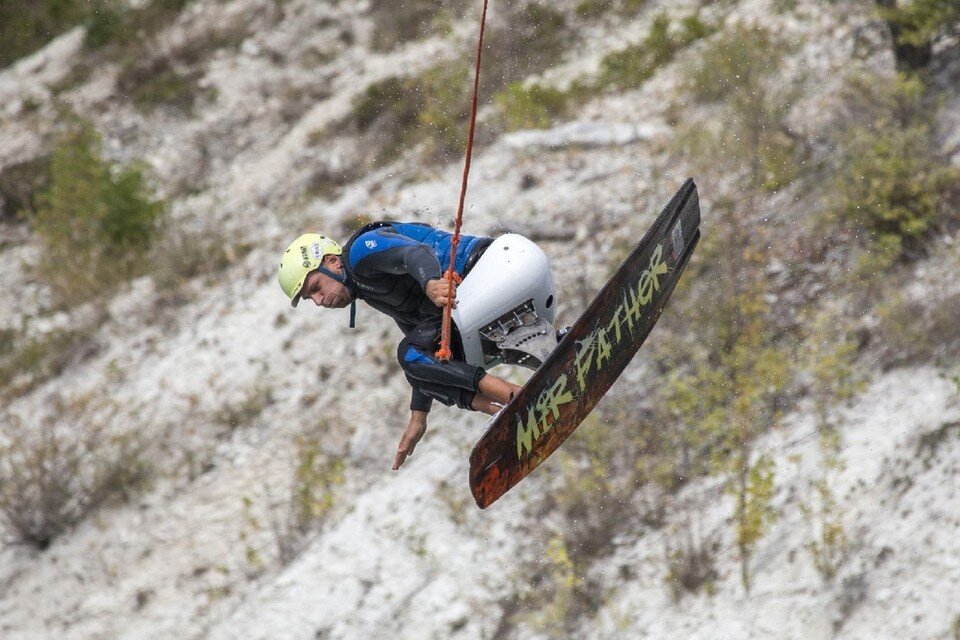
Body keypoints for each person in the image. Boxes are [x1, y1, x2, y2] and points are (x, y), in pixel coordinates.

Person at [277, 221, 525, 471]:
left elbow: (415, 254)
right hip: (473, 303)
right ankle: (501, 410)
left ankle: (515, 396)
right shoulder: (368, 289)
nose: (319, 301)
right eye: (312, 298)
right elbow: (421, 353)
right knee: (415, 361)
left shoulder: (360, 254)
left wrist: (430, 283)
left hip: (488, 269)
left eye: (316, 288)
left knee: (407, 353)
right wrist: (418, 415)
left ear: (332, 261)